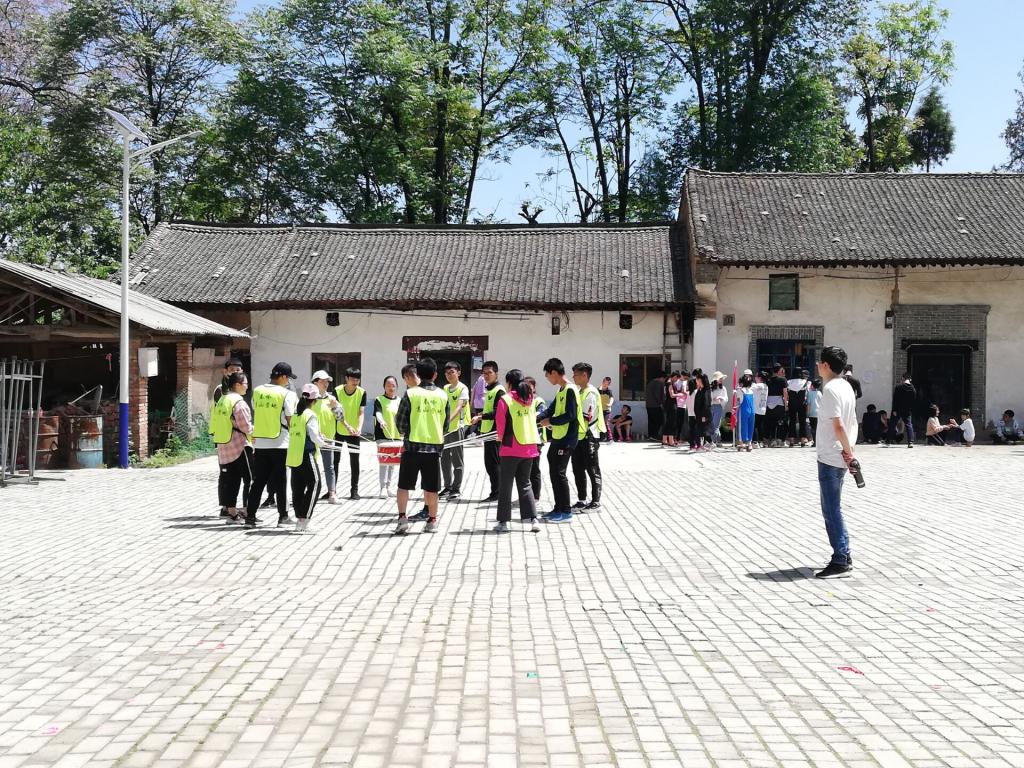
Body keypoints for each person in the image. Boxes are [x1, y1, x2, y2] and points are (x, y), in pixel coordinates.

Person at [813, 346, 859, 579]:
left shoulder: (831, 389)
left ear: (826, 365)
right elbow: (854, 423)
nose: (817, 366)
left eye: (819, 362)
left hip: (831, 456)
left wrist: (848, 452)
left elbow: (839, 425)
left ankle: (840, 559)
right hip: (839, 454)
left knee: (831, 510)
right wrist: (850, 451)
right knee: (834, 508)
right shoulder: (847, 387)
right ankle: (844, 554)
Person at [394, 358, 449, 535]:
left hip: (412, 448)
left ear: (418, 374)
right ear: (435, 375)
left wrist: (406, 431)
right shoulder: (443, 396)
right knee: (432, 488)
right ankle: (432, 521)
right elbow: (445, 425)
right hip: (434, 449)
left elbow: (400, 423)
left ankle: (402, 519)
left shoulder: (410, 394)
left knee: (404, 486)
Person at [245, 362, 298, 528]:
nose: (288, 381)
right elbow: (290, 420)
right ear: (283, 376)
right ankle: (283, 517)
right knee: (281, 482)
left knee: (258, 482)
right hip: (281, 443)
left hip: (260, 443)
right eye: (288, 378)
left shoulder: (257, 391)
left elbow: (256, 411)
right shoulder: (287, 394)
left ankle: (250, 518)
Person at [493, 369, 542, 534]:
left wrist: (499, 437)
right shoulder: (530, 398)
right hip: (529, 447)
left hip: (511, 447)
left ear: (509, 383)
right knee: (525, 484)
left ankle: (503, 522)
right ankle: (533, 519)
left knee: (506, 485)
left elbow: (500, 424)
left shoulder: (505, 399)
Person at [539, 358, 583, 523]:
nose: (547, 378)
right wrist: (536, 418)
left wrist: (550, 421)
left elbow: (570, 415)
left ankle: (566, 512)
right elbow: (550, 410)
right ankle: (558, 508)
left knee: (559, 473)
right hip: (558, 437)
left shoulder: (571, 390)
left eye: (547, 375)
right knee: (554, 472)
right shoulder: (561, 390)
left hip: (567, 439)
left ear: (554, 373)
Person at [287, 383, 334, 533]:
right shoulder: (310, 415)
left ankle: (300, 520)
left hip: (294, 456)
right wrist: (324, 443)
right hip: (306, 455)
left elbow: (306, 433)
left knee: (298, 488)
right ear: (314, 401)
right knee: (315, 484)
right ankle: (305, 520)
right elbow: (314, 437)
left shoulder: (296, 414)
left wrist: (320, 437)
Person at [211, 371, 253, 523]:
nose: (247, 387)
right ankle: (249, 510)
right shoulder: (238, 402)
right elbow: (245, 426)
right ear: (238, 385)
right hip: (239, 445)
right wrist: (257, 432)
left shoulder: (223, 399)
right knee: (251, 479)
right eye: (246, 384)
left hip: (224, 445)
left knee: (231, 479)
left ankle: (231, 512)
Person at [570, 362, 604, 511]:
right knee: (578, 469)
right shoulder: (580, 391)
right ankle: (581, 500)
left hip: (589, 436)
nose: (573, 377)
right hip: (578, 436)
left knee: (592, 469)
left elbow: (585, 416)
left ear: (584, 375)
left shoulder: (590, 393)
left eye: (576, 374)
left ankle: (595, 502)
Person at [470, 361, 505, 502]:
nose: (486, 376)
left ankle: (497, 493)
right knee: (489, 464)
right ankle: (495, 491)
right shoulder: (490, 389)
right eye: (484, 373)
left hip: (494, 433)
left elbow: (498, 413)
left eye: (489, 373)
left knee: (494, 464)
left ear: (496, 373)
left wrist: (480, 417)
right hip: (487, 431)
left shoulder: (499, 390)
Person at [310, 370, 343, 504]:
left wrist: (335, 408)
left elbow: (340, 417)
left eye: (327, 381)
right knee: (310, 467)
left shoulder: (332, 399)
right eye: (322, 381)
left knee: (329, 467)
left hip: (328, 438)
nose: (325, 384)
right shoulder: (309, 399)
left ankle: (332, 494)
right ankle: (310, 492)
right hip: (311, 438)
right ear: (315, 382)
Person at [334, 367, 366, 500]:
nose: (355, 382)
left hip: (354, 433)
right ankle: (332, 490)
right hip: (339, 430)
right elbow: (336, 412)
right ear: (346, 378)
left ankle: (354, 490)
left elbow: (361, 412)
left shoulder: (362, 392)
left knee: (355, 461)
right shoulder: (337, 391)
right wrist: (347, 426)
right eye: (352, 379)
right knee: (335, 461)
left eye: (357, 379)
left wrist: (359, 428)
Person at [440, 361, 470, 501]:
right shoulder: (445, 388)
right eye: (447, 373)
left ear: (458, 373)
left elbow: (458, 408)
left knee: (457, 459)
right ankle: (447, 487)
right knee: (444, 458)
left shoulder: (463, 388)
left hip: (457, 427)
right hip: (444, 429)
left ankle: (456, 488)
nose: (449, 375)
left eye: (452, 372)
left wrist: (447, 421)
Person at [374, 375, 402, 497]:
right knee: (384, 461)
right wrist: (381, 421)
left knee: (393, 462)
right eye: (388, 385)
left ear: (396, 387)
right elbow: (378, 413)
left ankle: (389, 486)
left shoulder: (400, 400)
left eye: (393, 385)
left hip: (396, 435)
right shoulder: (379, 399)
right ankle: (383, 488)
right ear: (384, 387)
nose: (391, 388)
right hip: (383, 434)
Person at [526, 376, 545, 501]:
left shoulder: (538, 401)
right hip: (525, 439)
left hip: (536, 439)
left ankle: (536, 496)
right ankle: (528, 495)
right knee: (526, 470)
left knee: (534, 469)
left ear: (534, 387)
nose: (527, 388)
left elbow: (540, 416)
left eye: (529, 386)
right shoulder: (522, 401)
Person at [890, 374, 916, 448]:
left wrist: (894, 409)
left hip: (898, 409)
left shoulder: (898, 387)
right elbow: (913, 401)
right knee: (909, 425)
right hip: (907, 410)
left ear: (903, 378)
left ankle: (888, 440)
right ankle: (910, 442)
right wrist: (910, 409)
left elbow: (895, 400)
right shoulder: (913, 389)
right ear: (910, 379)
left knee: (892, 424)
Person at [766, 364, 789, 447]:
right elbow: (785, 393)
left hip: (768, 403)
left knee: (771, 423)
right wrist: (786, 404)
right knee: (780, 422)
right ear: (779, 370)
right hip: (779, 403)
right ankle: (779, 440)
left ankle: (772, 440)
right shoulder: (783, 379)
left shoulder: (768, 380)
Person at [786, 369, 810, 447]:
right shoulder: (805, 382)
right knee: (802, 421)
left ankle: (792, 440)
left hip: (792, 403)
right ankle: (802, 440)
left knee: (792, 421)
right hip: (802, 404)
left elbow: (787, 393)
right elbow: (807, 393)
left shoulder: (788, 382)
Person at [735, 373, 755, 451]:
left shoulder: (740, 390)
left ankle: (741, 443)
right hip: (752, 410)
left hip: (743, 410)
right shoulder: (751, 391)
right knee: (750, 426)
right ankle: (749, 443)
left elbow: (739, 402)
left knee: (742, 426)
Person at [709, 372, 729, 446]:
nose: (721, 380)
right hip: (710, 407)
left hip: (718, 407)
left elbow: (726, 398)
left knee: (715, 424)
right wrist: (712, 399)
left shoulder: (723, 388)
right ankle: (718, 440)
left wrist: (721, 398)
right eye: (720, 378)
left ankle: (712, 441)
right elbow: (708, 397)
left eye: (721, 378)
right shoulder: (710, 388)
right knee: (712, 424)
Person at [644, 371, 666, 440]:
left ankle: (651, 435)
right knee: (659, 420)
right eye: (664, 379)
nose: (664, 381)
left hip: (648, 405)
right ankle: (654, 435)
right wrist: (661, 403)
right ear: (662, 378)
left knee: (651, 421)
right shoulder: (658, 383)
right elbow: (657, 395)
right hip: (655, 405)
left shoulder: (650, 382)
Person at [752, 371, 768, 447]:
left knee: (754, 426)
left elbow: (748, 389)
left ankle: (755, 441)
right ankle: (761, 441)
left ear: (759, 378)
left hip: (756, 408)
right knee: (760, 426)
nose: (755, 378)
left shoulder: (757, 386)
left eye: (756, 376)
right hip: (763, 408)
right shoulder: (766, 386)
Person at [662, 372, 678, 447]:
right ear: (674, 376)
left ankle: (664, 440)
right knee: (671, 423)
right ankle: (671, 441)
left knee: (668, 422)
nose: (676, 380)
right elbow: (672, 395)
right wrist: (680, 394)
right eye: (676, 378)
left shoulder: (667, 383)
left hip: (668, 405)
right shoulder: (670, 384)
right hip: (671, 405)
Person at [673, 370, 690, 443]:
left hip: (683, 404)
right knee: (676, 422)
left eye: (687, 378)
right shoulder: (676, 382)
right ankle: (674, 438)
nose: (686, 379)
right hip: (677, 404)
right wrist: (686, 392)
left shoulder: (685, 382)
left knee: (681, 422)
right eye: (685, 377)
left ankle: (678, 438)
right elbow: (679, 391)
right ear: (682, 375)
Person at [599, 377, 614, 443]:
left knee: (606, 423)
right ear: (602, 382)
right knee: (599, 423)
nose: (605, 385)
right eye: (604, 383)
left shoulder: (609, 391)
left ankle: (610, 438)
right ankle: (601, 437)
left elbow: (611, 398)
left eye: (606, 384)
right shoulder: (598, 390)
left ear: (609, 385)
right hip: (599, 410)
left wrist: (610, 404)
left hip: (607, 410)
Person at [807, 378, 821, 447]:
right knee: (818, 428)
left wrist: (807, 413)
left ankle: (815, 442)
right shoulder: (819, 393)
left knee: (813, 428)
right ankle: (818, 442)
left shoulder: (809, 393)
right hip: (818, 413)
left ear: (812, 385)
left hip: (812, 413)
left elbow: (809, 404)